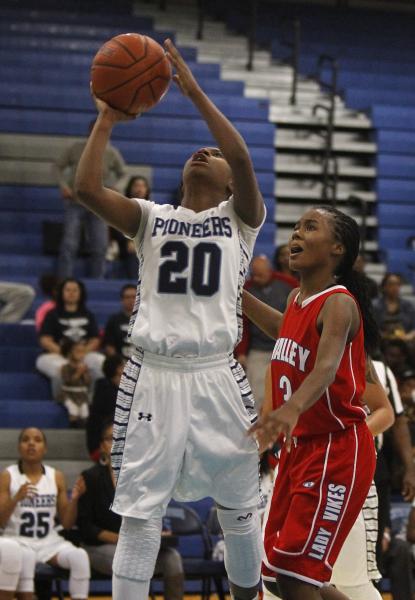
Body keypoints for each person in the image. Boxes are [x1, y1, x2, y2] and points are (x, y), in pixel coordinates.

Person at [75, 38, 265, 600]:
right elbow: (86, 188)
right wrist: (107, 118)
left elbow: (245, 157)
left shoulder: (242, 220)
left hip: (216, 372)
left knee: (239, 507)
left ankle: (248, 593)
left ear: (230, 182)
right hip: (154, 374)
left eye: (215, 153)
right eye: (197, 150)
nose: (203, 152)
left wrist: (194, 91)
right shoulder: (151, 219)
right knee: (139, 514)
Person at [242, 206, 379, 599]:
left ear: (337, 248)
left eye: (310, 227)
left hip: (336, 449)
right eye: (297, 227)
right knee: (276, 574)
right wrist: (237, 296)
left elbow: (325, 368)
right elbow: (282, 330)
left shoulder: (339, 303)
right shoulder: (297, 299)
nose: (296, 235)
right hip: (299, 449)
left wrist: (290, 408)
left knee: (297, 576)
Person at [78, 422, 184, 600]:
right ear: (102, 445)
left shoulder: (140, 477)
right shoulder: (90, 477)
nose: (119, 442)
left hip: (136, 543)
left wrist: (159, 532)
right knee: (127, 558)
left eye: (123, 438)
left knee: (172, 558)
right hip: (99, 546)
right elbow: (85, 527)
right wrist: (119, 538)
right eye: (112, 438)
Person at [0, 428, 90, 600]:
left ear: (45, 448)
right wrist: (16, 498)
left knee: (80, 557)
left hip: (49, 543)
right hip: (18, 541)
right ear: (19, 447)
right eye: (25, 440)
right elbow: (1, 521)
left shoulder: (56, 476)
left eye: (37, 440)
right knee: (24, 557)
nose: (31, 443)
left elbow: (67, 523)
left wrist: (75, 500)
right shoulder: (8, 476)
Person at [53, 119, 126, 279]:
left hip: (98, 205)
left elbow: (124, 174)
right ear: (90, 130)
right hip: (75, 201)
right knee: (69, 244)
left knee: (100, 246)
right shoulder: (76, 148)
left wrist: (116, 187)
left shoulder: (111, 152)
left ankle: (97, 283)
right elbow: (57, 166)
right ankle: (63, 281)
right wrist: (63, 186)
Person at [236, 255, 292, 413]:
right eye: (254, 275)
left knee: (286, 393)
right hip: (258, 349)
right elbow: (242, 324)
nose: (257, 278)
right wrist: (241, 352)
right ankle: (258, 428)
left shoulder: (288, 285)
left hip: (283, 348)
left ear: (270, 271)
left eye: (261, 275)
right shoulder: (246, 288)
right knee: (256, 395)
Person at [36, 278, 104, 398]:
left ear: (80, 293)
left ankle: (90, 402)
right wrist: (66, 354)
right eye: (68, 290)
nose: (71, 293)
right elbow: (45, 340)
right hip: (56, 354)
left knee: (101, 364)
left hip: (83, 353)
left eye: (75, 290)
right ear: (62, 293)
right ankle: (62, 401)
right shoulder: (52, 314)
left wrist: (81, 353)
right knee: (62, 369)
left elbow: (95, 340)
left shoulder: (88, 314)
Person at [109, 176, 152, 279]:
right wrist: (129, 240)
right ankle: (134, 284)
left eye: (142, 186)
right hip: (125, 245)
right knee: (133, 253)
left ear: (147, 190)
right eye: (136, 185)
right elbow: (116, 228)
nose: (139, 189)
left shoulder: (154, 209)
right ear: (130, 188)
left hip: (146, 244)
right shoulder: (122, 206)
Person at [86, 354, 125, 460]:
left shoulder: (114, 389)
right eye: (124, 365)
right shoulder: (106, 391)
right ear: (118, 369)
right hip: (101, 446)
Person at [57, 338, 91, 428]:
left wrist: (85, 373)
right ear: (70, 352)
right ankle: (73, 428)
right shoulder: (65, 367)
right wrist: (78, 373)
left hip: (81, 394)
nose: (80, 354)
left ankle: (84, 429)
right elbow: (68, 381)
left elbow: (88, 383)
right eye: (77, 351)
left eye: (82, 352)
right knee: (73, 410)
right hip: (69, 394)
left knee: (84, 411)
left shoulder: (84, 367)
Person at [372, 272, 415, 342]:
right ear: (384, 287)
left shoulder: (408, 305)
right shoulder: (375, 305)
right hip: (382, 341)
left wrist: (408, 337)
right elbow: (371, 329)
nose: (395, 287)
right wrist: (387, 336)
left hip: (405, 340)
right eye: (391, 284)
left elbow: (414, 327)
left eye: (398, 284)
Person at [103, 284, 136, 359]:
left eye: (134, 297)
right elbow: (109, 346)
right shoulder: (114, 320)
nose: (131, 300)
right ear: (122, 300)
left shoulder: (147, 321)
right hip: (119, 363)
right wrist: (119, 363)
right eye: (127, 297)